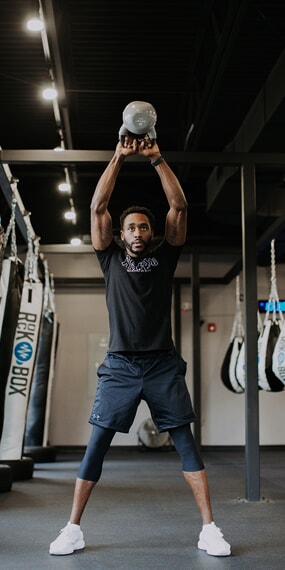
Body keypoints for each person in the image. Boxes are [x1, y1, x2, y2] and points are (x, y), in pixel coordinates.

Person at [49, 134, 231, 558]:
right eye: (130, 226)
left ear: (151, 233)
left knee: (185, 441)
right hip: (120, 365)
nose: (136, 231)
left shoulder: (165, 254)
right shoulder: (108, 256)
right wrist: (118, 156)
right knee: (97, 443)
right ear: (121, 232)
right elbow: (98, 208)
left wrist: (155, 159)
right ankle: (72, 528)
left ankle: (209, 529)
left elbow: (180, 208)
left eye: (142, 227)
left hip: (162, 364)